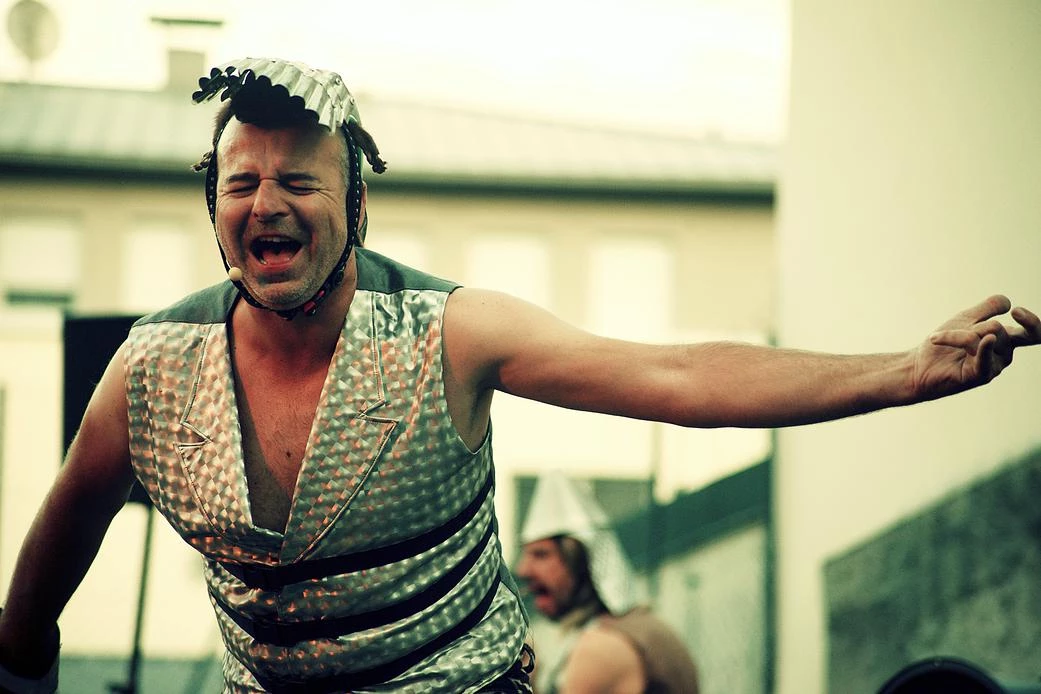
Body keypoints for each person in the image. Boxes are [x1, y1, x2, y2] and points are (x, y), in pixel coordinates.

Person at [0, 56, 1037, 693]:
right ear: (214, 206)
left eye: (298, 181)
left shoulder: (451, 333)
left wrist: (905, 370)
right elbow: (49, 561)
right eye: (242, 182)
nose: (265, 202)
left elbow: (678, 376)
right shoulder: (153, 370)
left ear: (355, 206)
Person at [516, 470, 700, 693]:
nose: (523, 570)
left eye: (541, 555)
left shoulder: (600, 647)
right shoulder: (643, 628)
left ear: (583, 561)